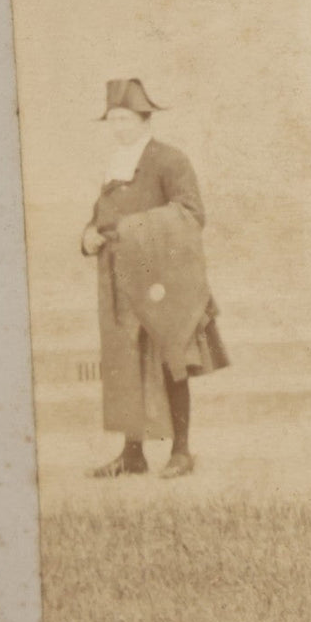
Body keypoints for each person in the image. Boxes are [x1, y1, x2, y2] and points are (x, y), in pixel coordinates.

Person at [81, 78, 229, 478]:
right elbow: (101, 216)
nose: (119, 128)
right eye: (113, 120)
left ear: (145, 120)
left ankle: (181, 451)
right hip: (119, 281)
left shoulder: (169, 160)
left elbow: (191, 213)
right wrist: (89, 234)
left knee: (171, 360)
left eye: (126, 119)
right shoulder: (115, 162)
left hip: (161, 281)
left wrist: (129, 230)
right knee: (126, 361)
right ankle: (133, 454)